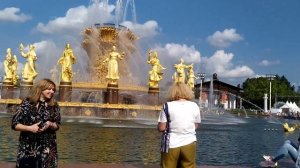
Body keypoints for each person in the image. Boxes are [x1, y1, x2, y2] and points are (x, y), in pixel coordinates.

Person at [11, 78, 61, 168]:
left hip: (48, 147)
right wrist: (30, 128)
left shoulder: (54, 105)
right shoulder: (27, 103)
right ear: (41, 89)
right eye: (49, 89)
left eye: (53, 90)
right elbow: (14, 124)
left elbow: (57, 125)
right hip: (28, 147)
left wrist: (50, 124)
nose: (52, 92)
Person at [157, 82, 201, 168]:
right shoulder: (195, 106)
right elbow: (196, 126)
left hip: (171, 143)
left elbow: (161, 128)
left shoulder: (167, 106)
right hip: (189, 142)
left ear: (172, 92)